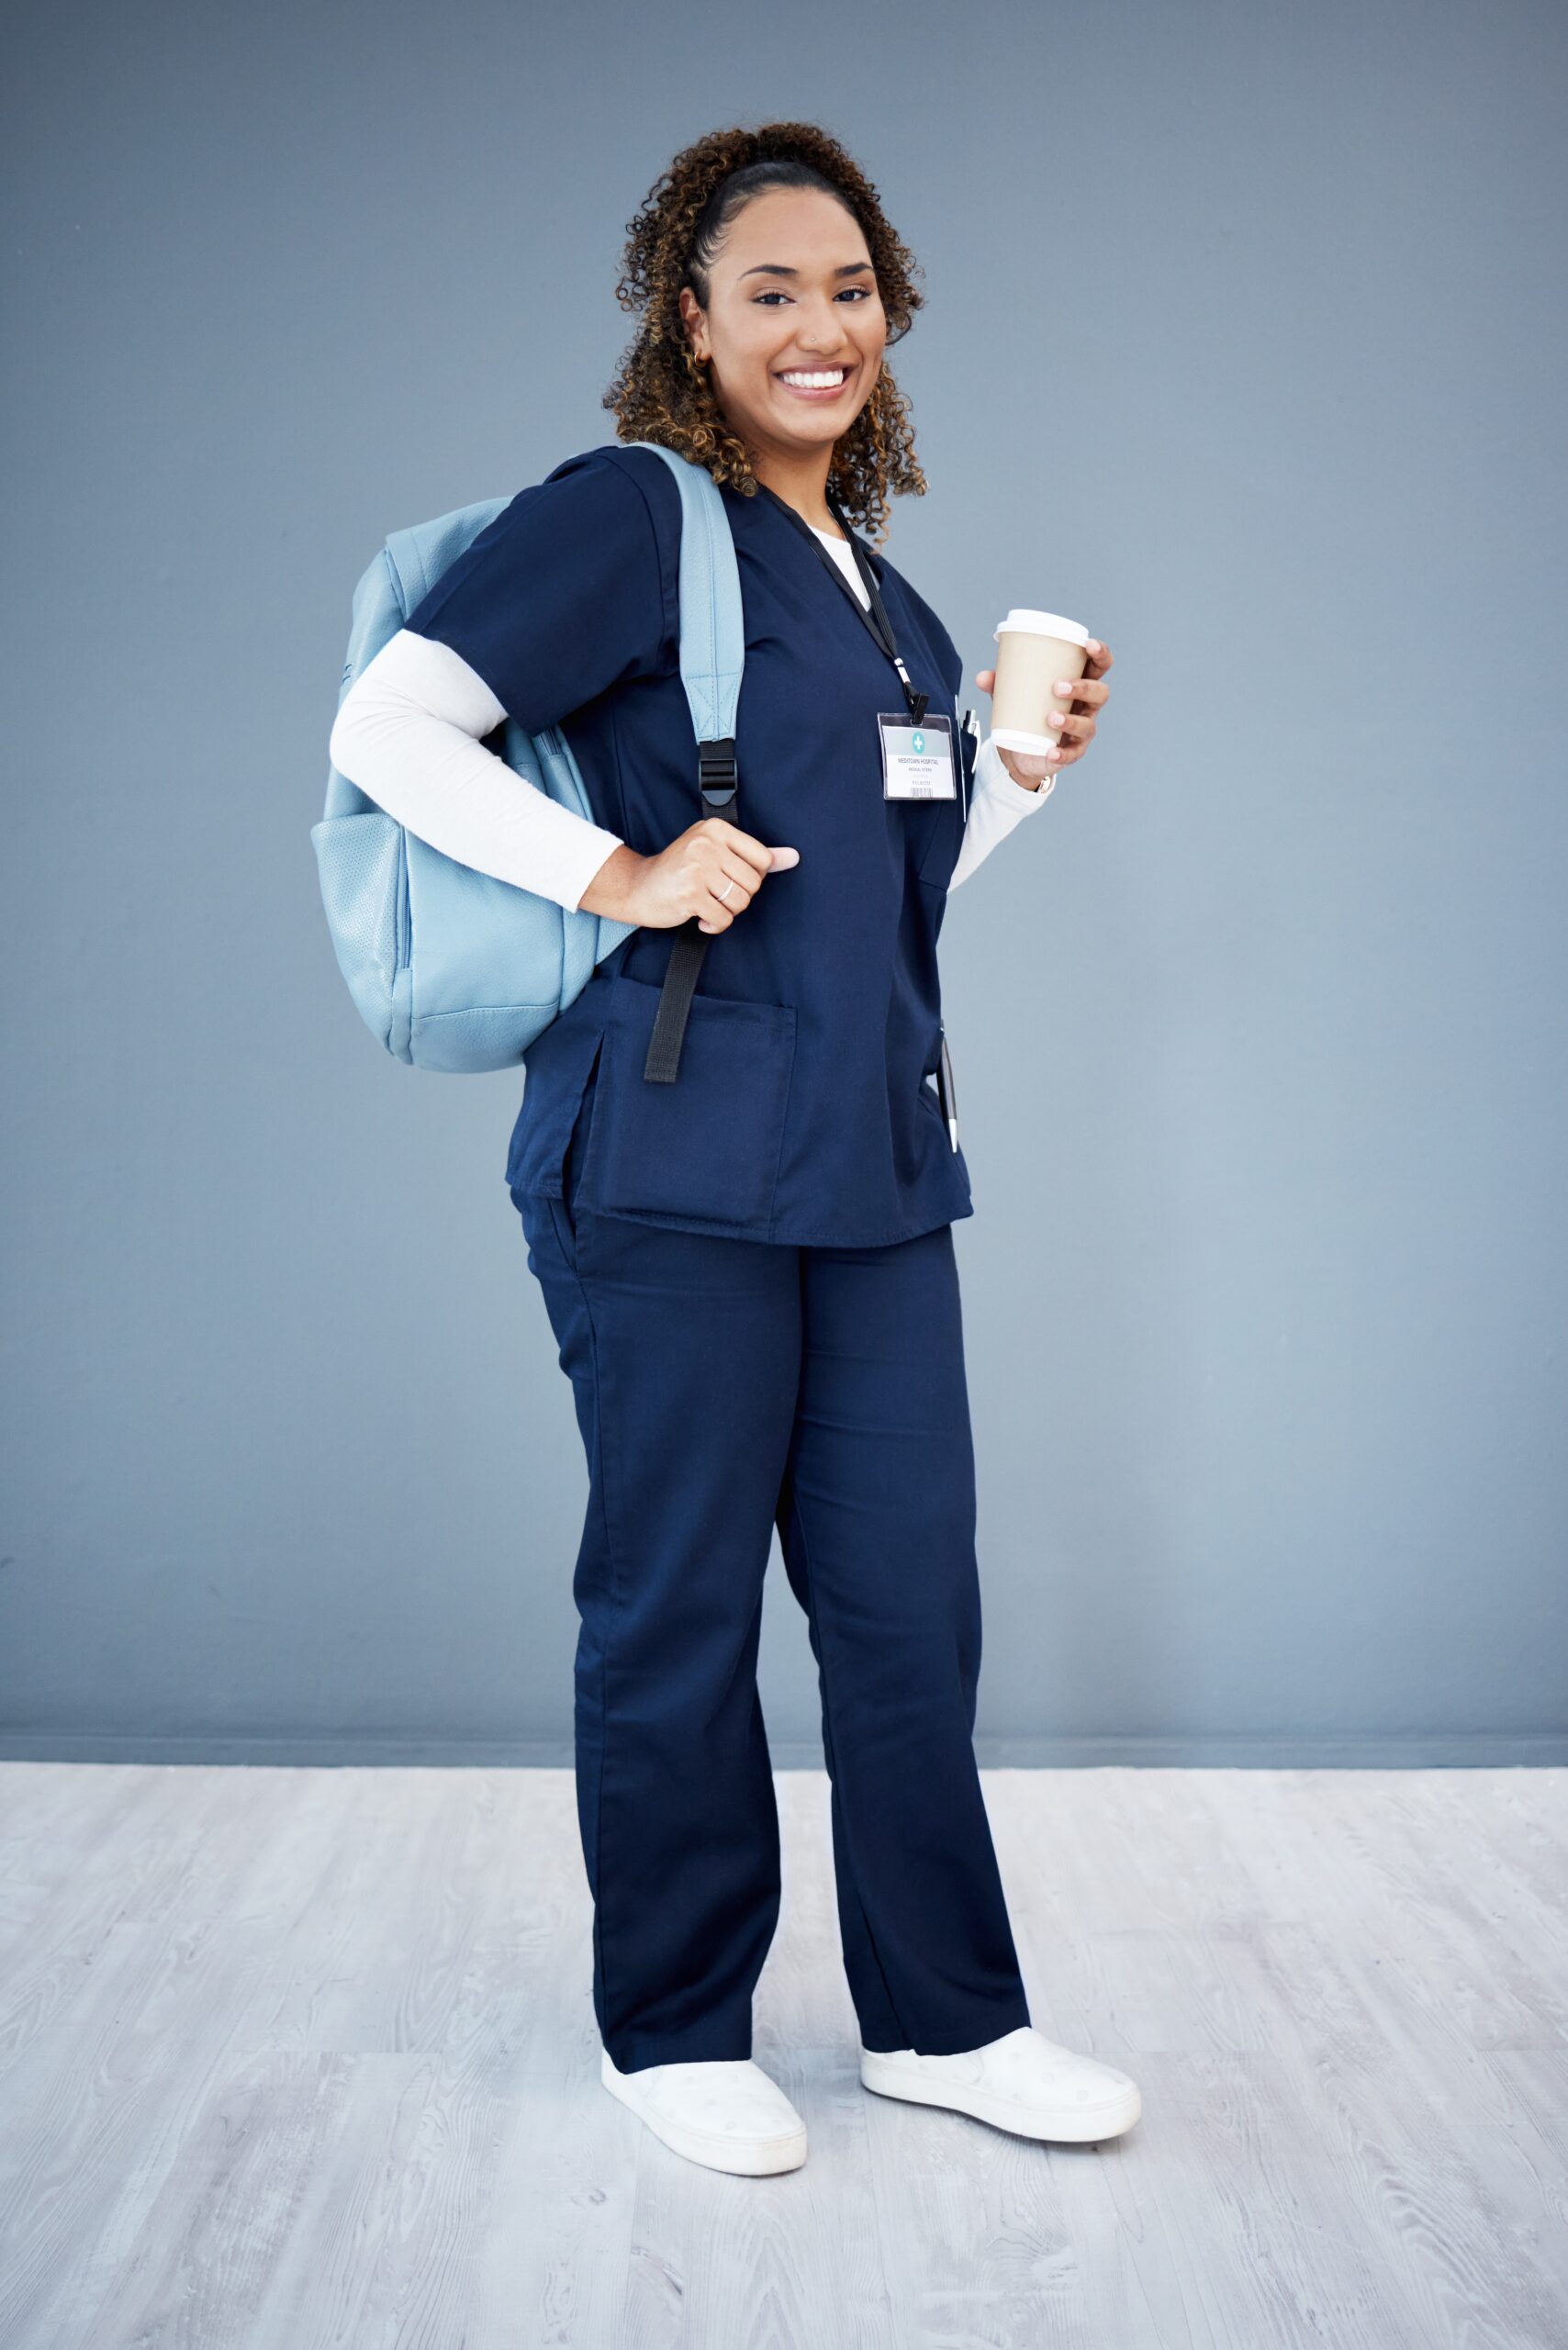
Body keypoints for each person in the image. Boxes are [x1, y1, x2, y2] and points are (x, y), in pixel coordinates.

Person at [329, 119, 1137, 2177]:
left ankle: (943, 2019)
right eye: (768, 288)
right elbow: (388, 727)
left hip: (867, 1166)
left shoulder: (883, 593)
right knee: (677, 1599)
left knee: (904, 1606)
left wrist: (1015, 766)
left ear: (890, 321)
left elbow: (888, 889)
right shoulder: (634, 514)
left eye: (848, 288)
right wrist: (612, 868)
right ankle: (672, 2018)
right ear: (686, 326)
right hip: (667, 1161)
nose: (817, 325)